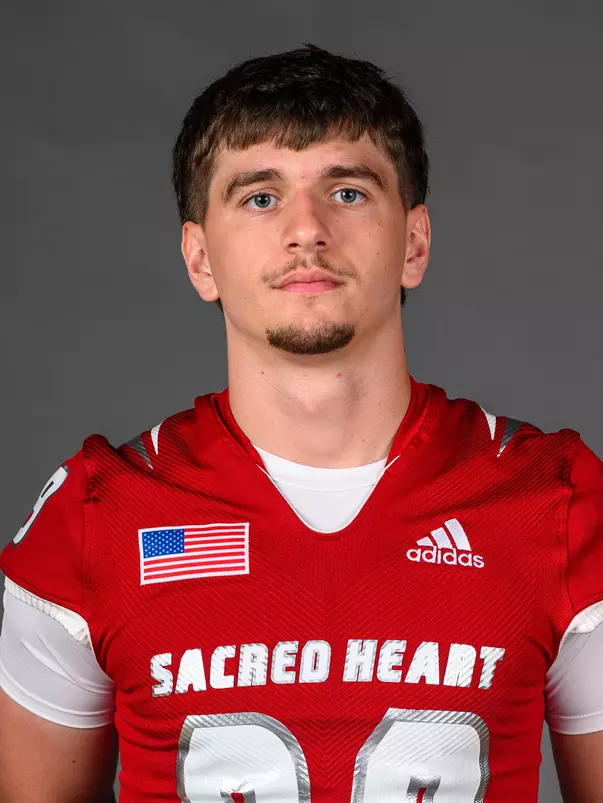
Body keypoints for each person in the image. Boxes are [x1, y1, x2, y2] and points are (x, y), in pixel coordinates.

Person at [0, 42, 601, 803]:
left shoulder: (557, 500)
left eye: (347, 192)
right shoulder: (91, 516)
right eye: (259, 197)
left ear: (413, 243)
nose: (306, 229)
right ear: (199, 259)